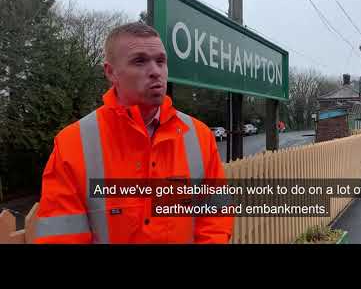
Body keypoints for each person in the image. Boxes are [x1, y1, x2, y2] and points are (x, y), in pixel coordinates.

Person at [34, 22, 234, 244]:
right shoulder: (73, 143)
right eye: (139, 61)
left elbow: (216, 215)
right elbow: (61, 236)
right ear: (111, 73)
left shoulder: (199, 136)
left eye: (160, 61)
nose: (155, 71)